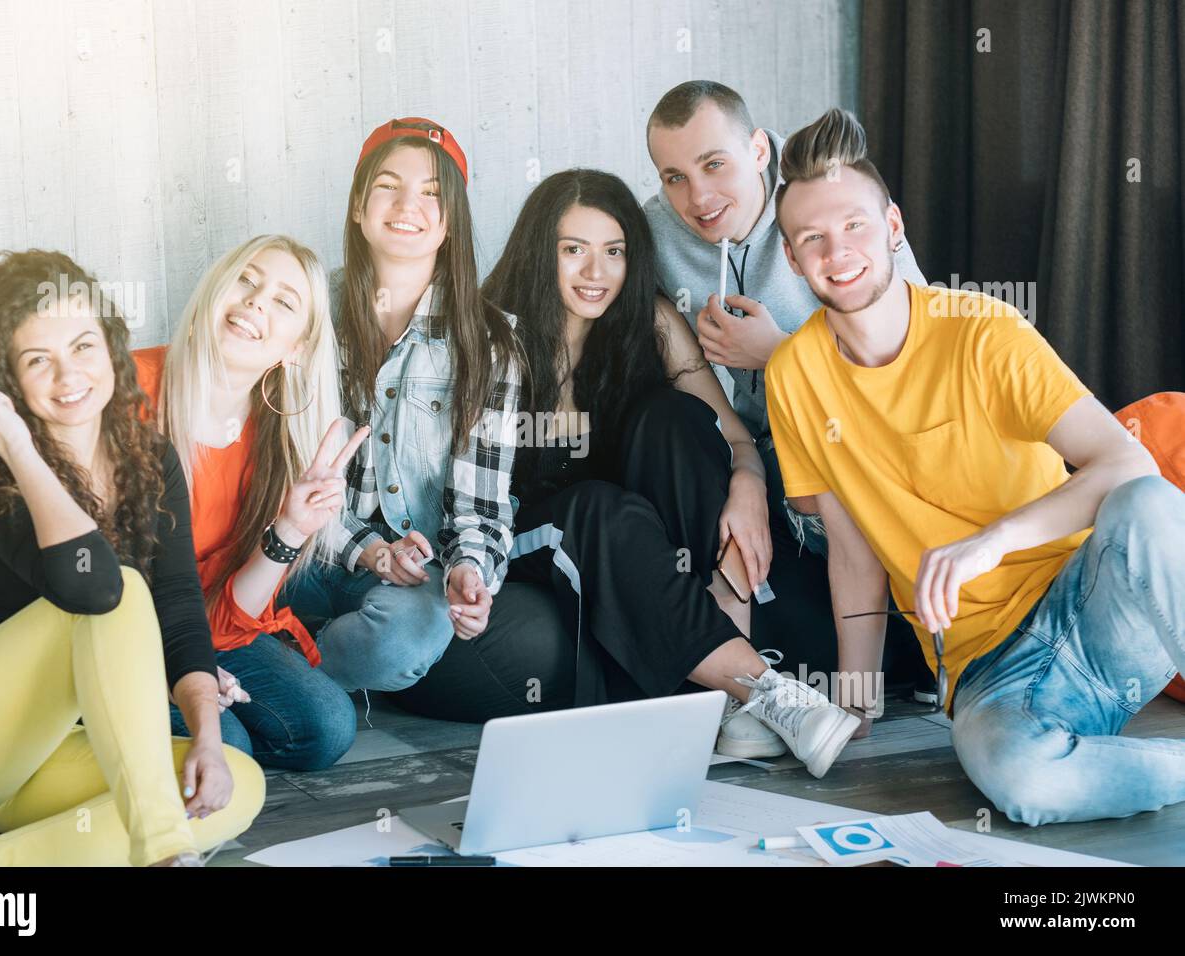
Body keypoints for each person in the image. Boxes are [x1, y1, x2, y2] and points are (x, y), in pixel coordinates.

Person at [766, 107, 1185, 825]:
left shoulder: (984, 332)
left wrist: (993, 541)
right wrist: (856, 702)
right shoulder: (792, 375)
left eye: (855, 226)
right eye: (813, 238)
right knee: (1023, 784)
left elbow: (1124, 461)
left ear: (893, 227)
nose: (838, 251)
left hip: (1097, 605)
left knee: (1147, 500)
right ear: (793, 256)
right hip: (992, 673)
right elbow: (854, 552)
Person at [404, 169, 860, 777]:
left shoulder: (649, 323)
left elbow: (727, 434)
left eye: (614, 252)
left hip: (639, 548)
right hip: (528, 539)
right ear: (541, 254)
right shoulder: (495, 336)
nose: (596, 273)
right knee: (599, 505)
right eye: (574, 251)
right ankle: (758, 688)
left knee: (675, 418)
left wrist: (748, 482)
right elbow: (470, 499)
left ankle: (733, 696)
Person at [0, 250, 264, 866]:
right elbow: (91, 590)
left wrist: (208, 740)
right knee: (120, 592)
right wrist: (16, 445)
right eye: (39, 361)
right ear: (6, 380)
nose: (69, 377)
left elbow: (179, 608)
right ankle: (168, 858)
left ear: (111, 349)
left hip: (41, 758)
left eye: (83, 347)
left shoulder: (150, 459)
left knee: (232, 786)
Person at [645, 80, 929, 697]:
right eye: (673, 177)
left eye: (714, 164)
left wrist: (781, 356)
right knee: (668, 421)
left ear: (757, 150)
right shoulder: (653, 235)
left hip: (856, 463)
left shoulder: (828, 200)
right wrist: (745, 468)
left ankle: (882, 658)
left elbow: (913, 367)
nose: (697, 197)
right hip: (752, 476)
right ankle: (742, 680)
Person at [283, 117, 568, 713]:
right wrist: (365, 549)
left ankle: (279, 668)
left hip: (409, 578)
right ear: (360, 205)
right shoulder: (310, 314)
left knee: (408, 639)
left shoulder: (489, 342)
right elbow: (286, 471)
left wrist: (469, 571)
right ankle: (283, 670)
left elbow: (480, 502)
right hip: (305, 546)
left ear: (452, 222)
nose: (407, 204)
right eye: (388, 185)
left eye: (432, 192)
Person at [134, 234, 365, 771]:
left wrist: (289, 528)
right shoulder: (129, 389)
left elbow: (229, 615)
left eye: (284, 302)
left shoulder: (279, 444)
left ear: (296, 349)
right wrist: (178, 673)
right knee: (228, 746)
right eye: (247, 279)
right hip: (119, 634)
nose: (257, 300)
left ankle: (163, 744)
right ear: (215, 291)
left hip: (208, 627)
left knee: (326, 727)